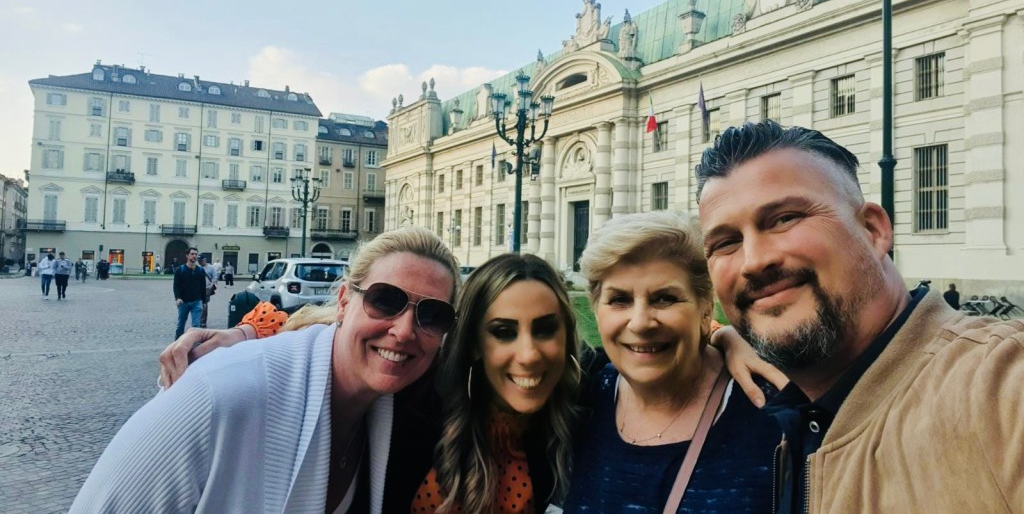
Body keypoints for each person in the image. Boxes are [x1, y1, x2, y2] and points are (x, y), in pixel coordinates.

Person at [694, 120, 1024, 512]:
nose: (754, 261)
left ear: (872, 229)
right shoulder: (794, 420)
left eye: (784, 219)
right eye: (727, 242)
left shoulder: (1001, 388)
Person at [70, 227, 460, 513]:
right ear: (343, 301)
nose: (405, 330)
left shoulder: (413, 405)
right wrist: (247, 333)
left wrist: (249, 330)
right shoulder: (219, 392)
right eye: (385, 300)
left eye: (433, 314)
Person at [563, 210, 782, 512]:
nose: (640, 323)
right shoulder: (582, 399)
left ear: (706, 306)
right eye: (620, 300)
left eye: (665, 298)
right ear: (595, 308)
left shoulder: (769, 413)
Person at [412, 253, 581, 512]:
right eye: (504, 332)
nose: (529, 355)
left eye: (545, 329)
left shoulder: (591, 426)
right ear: (473, 344)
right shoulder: (415, 418)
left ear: (567, 336)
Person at [172, 248, 207, 339]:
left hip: (197, 301)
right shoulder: (180, 270)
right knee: (181, 324)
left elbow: (203, 287)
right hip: (183, 302)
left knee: (196, 325)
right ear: (187, 255)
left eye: (196, 254)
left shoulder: (200, 271)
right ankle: (177, 342)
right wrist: (177, 297)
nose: (194, 256)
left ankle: (194, 344)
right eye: (192, 254)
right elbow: (176, 286)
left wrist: (204, 301)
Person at [198, 255, 217, 329]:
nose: (199, 262)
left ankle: (203, 321)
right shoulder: (198, 268)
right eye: (198, 261)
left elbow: (215, 277)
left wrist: (211, 286)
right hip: (198, 288)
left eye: (201, 260)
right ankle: (198, 320)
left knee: (204, 305)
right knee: (197, 304)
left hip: (206, 288)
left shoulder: (211, 268)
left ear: (205, 259)